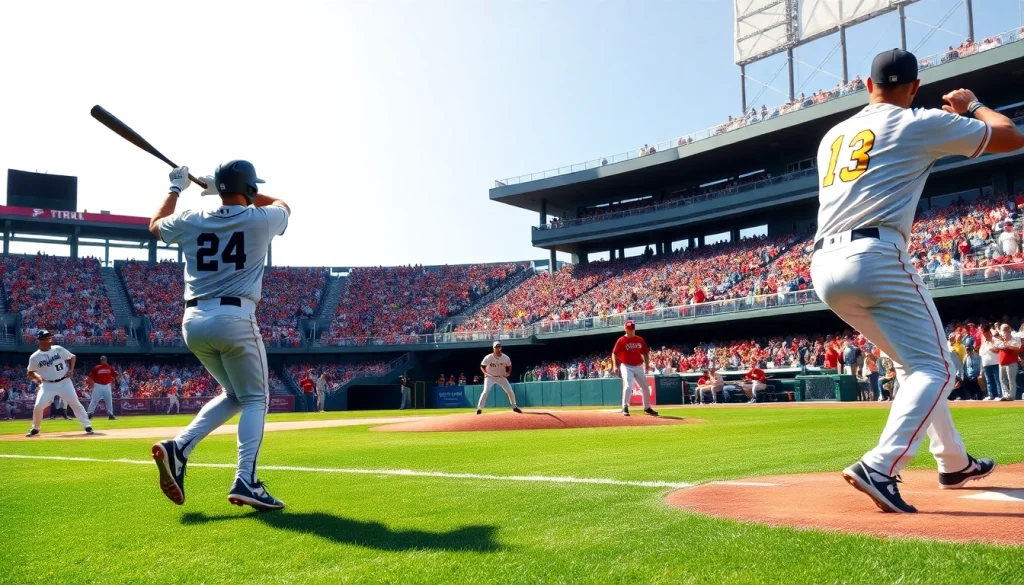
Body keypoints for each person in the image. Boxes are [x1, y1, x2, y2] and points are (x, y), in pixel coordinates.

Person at [811, 49, 1019, 512]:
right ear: (913, 88)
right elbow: (1011, 136)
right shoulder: (915, 120)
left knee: (914, 365)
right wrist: (972, 105)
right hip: (874, 254)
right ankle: (880, 465)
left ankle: (953, 461)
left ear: (868, 86)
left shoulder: (832, 135)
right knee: (939, 366)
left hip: (823, 265)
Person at [150, 161, 291, 511]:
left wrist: (175, 189)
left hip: (193, 321)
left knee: (235, 395)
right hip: (235, 318)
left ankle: (179, 447)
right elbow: (285, 205)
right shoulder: (260, 219)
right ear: (251, 189)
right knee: (257, 398)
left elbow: (154, 226)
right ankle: (247, 480)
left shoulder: (192, 218)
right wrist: (224, 191)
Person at [25, 330, 94, 437]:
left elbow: (72, 357)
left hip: (64, 382)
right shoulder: (34, 357)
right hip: (47, 385)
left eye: (49, 337)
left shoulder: (58, 349)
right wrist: (37, 377)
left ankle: (87, 425)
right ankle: (35, 428)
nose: (49, 339)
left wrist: (71, 370)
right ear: (40, 340)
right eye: (45, 337)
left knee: (75, 403)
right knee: (38, 406)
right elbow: (30, 372)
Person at [612, 320, 658, 416]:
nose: (631, 330)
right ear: (625, 329)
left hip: (639, 365)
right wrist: (615, 365)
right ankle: (625, 406)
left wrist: (647, 364)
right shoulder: (621, 340)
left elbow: (645, 352)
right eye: (629, 329)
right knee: (628, 385)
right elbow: (614, 353)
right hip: (626, 365)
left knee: (645, 387)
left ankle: (647, 407)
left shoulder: (639, 339)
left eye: (632, 328)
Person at [477, 342, 521, 415]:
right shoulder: (488, 357)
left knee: (510, 391)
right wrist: (485, 373)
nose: (498, 348)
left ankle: (514, 406)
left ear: (501, 347)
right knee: (485, 391)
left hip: (501, 377)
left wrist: (508, 372)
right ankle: (479, 409)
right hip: (490, 377)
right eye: (496, 347)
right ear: (493, 348)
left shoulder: (505, 357)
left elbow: (509, 366)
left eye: (499, 346)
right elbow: (482, 366)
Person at [992, 323, 1021, 401]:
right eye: (1003, 330)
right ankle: (1005, 395)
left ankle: (1011, 396)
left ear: (1010, 330)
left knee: (1011, 380)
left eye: (1006, 329)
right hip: (1002, 362)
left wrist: (1005, 343)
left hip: (1012, 362)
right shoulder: (1000, 340)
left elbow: (1016, 347)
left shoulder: (1015, 339)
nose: (1004, 331)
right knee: (1002, 380)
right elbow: (996, 349)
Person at [86, 355, 118, 420]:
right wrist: (91, 384)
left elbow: (115, 375)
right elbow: (90, 377)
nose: (104, 360)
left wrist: (115, 379)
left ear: (106, 360)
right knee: (94, 400)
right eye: (103, 359)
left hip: (107, 385)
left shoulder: (109, 367)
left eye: (105, 359)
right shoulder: (97, 367)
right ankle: (89, 414)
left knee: (109, 400)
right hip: (98, 385)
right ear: (101, 360)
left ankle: (110, 414)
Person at [979, 326, 1002, 400]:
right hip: (986, 365)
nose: (985, 336)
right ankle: (991, 395)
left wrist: (993, 347)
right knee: (989, 380)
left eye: (986, 334)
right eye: (984, 335)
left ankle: (999, 395)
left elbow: (999, 350)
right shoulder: (984, 344)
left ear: (989, 333)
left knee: (997, 380)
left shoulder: (996, 340)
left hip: (995, 363)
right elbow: (981, 355)